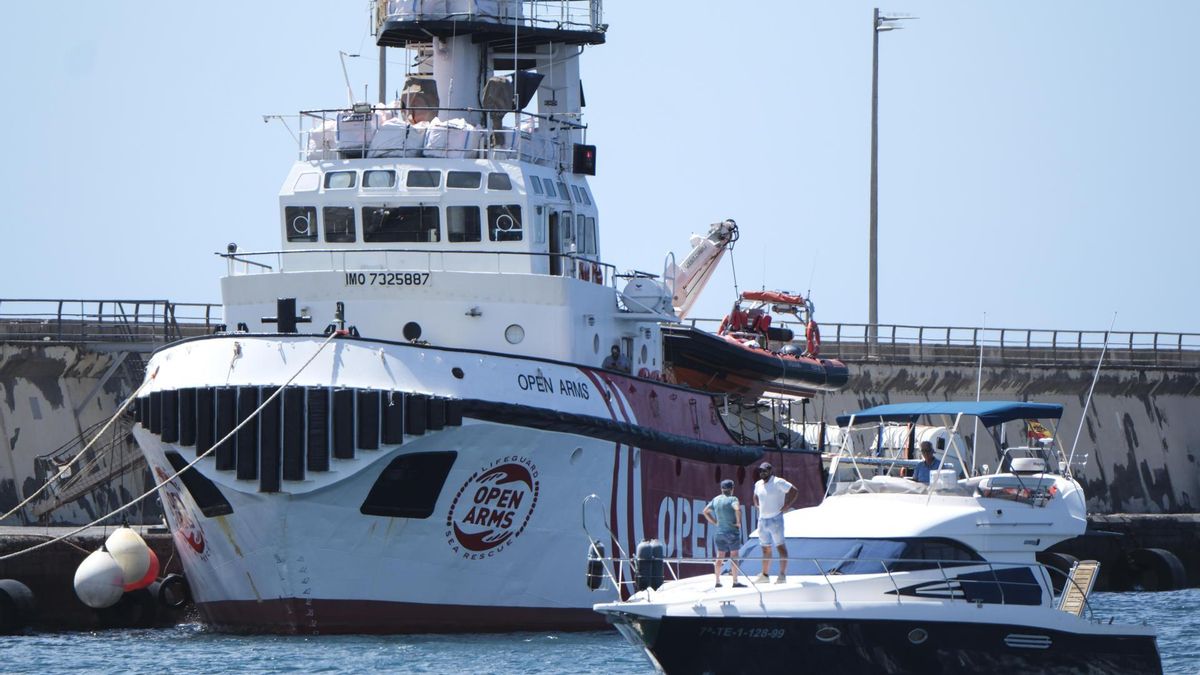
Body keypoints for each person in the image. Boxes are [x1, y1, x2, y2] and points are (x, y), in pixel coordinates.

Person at [753, 462, 797, 584]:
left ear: (770, 471)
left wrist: (787, 505)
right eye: (760, 471)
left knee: (780, 546)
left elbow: (794, 490)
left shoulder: (778, 482)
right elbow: (755, 495)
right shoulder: (758, 484)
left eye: (764, 471)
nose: (762, 473)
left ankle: (782, 575)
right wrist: (756, 504)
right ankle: (765, 574)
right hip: (762, 520)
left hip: (775, 519)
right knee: (765, 548)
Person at [703, 479, 745, 588]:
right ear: (732, 489)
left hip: (719, 533)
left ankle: (717, 581)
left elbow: (705, 511)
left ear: (721, 489)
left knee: (719, 557)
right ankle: (735, 582)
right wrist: (738, 521)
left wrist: (714, 522)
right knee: (734, 556)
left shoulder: (716, 499)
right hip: (732, 532)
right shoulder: (733, 499)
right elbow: (737, 509)